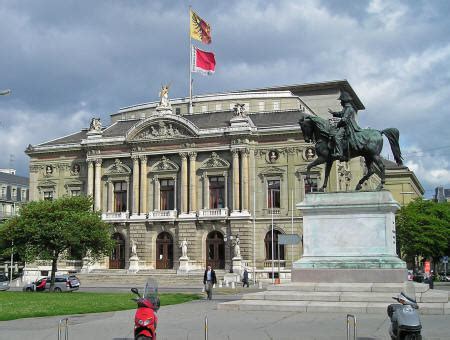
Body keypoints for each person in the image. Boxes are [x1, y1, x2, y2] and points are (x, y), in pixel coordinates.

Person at [328, 91, 362, 162]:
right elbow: (341, 113)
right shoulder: (346, 108)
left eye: (341, 101)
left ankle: (339, 153)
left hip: (348, 126)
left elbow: (344, 119)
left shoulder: (349, 108)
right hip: (346, 125)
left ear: (344, 101)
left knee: (337, 137)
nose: (340, 103)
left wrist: (337, 124)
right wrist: (333, 113)